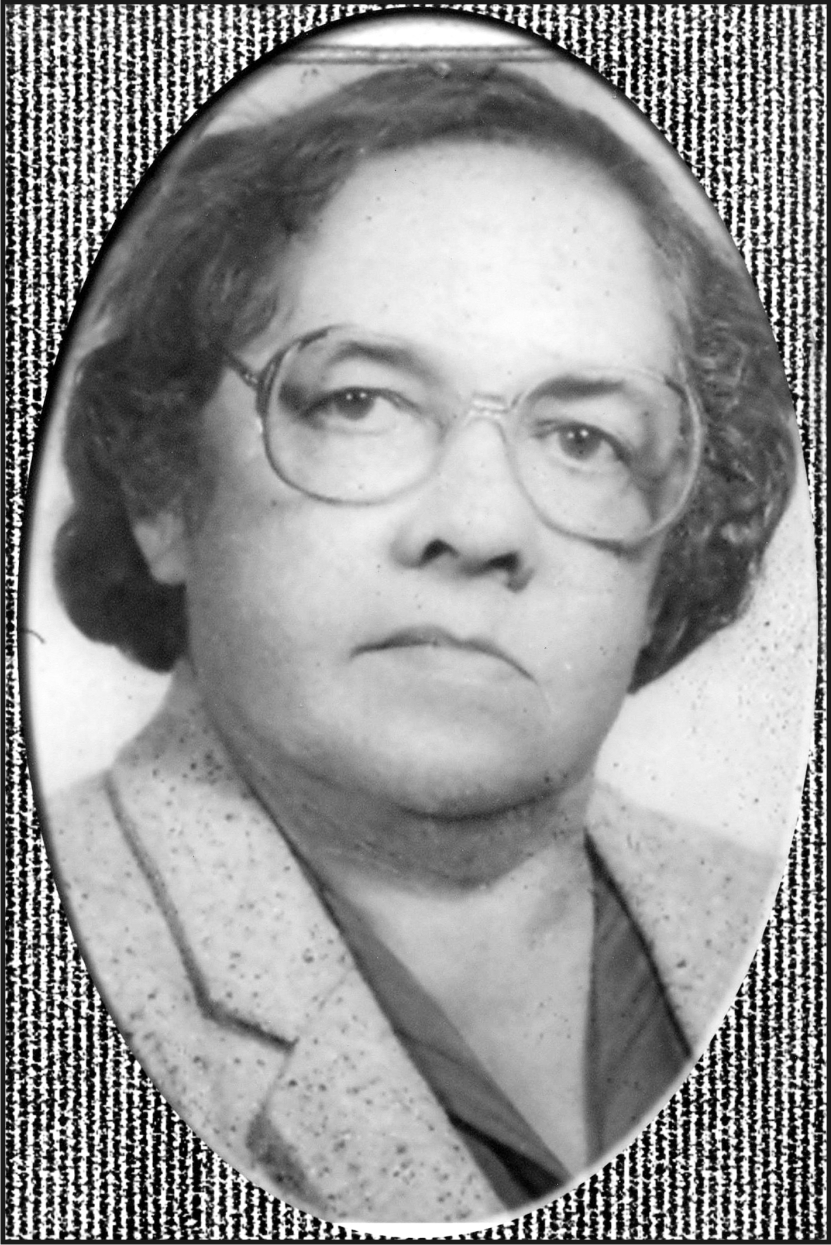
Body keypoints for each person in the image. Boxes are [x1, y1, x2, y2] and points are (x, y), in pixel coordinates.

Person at [44, 61, 795, 1223]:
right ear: (164, 489)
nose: (481, 527)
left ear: (670, 561)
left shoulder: (768, 920)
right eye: (361, 402)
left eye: (584, 438)